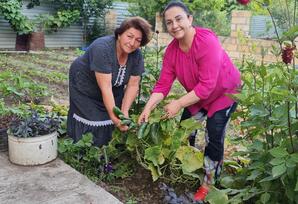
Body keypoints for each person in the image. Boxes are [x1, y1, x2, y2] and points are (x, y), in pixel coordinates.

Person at [138, 1, 241, 202]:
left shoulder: (206, 42)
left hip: (224, 93)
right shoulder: (172, 51)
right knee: (186, 130)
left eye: (178, 19)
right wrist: (148, 107)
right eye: (169, 22)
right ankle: (190, 165)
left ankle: (209, 182)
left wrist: (178, 103)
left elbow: (207, 86)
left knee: (214, 135)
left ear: (190, 19)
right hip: (199, 95)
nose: (174, 25)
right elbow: (163, 84)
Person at [67, 17, 151, 147]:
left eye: (138, 40)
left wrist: (124, 113)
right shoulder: (102, 48)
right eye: (129, 36)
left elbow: (133, 85)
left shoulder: (136, 55)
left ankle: (106, 150)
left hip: (112, 86)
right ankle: (84, 150)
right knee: (93, 118)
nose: (132, 43)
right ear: (119, 34)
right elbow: (105, 88)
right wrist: (115, 119)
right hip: (84, 83)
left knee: (112, 116)